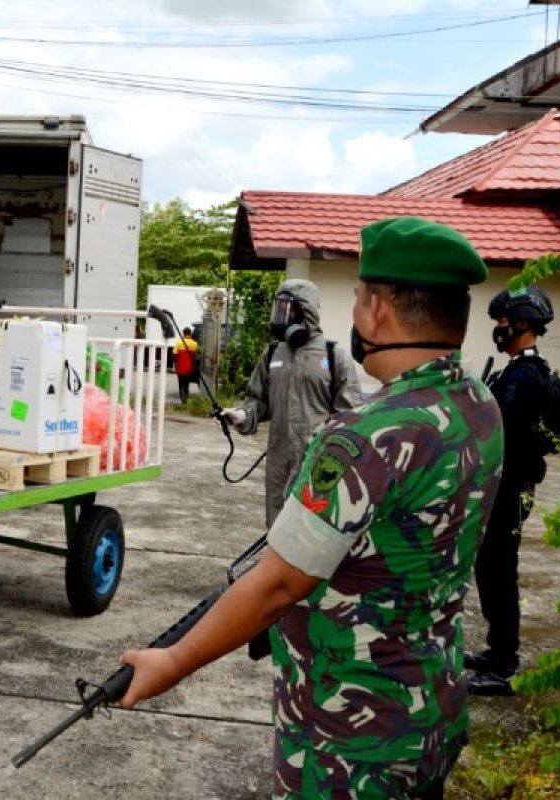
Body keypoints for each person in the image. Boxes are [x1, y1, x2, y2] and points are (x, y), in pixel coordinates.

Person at [118, 217, 503, 799]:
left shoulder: (365, 435)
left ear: (378, 308)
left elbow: (276, 586)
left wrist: (170, 663)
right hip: (430, 707)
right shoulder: (479, 405)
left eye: (360, 297)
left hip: (353, 738)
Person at [468, 286, 558, 695]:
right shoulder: (517, 372)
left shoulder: (525, 377)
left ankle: (504, 663)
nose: (498, 330)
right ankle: (497, 649)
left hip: (510, 487)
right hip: (503, 486)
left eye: (503, 323)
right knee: (490, 567)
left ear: (521, 324)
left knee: (499, 570)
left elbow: (504, 433)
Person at [221, 279, 363, 528]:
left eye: (288, 309)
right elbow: (258, 400)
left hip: (318, 464)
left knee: (315, 529)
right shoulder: (273, 354)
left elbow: (349, 417)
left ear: (306, 311)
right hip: (279, 459)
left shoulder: (333, 355)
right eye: (279, 309)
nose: (281, 317)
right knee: (277, 526)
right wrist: (242, 415)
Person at [171, 330, 198, 403]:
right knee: (187, 383)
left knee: (180, 382)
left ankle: (181, 396)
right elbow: (195, 357)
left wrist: (175, 363)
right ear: (190, 333)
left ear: (183, 334)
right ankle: (185, 398)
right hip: (189, 368)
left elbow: (174, 356)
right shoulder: (194, 344)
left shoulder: (179, 343)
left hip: (180, 367)